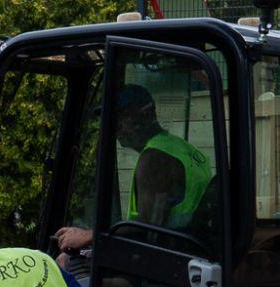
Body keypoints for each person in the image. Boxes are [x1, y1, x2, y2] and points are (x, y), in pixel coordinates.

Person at [51, 83, 215, 259]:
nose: (116, 129)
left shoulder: (154, 159)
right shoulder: (182, 148)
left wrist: (89, 235)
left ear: (146, 115)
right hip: (186, 252)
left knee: (65, 261)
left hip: (166, 263)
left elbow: (147, 229)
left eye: (122, 118)